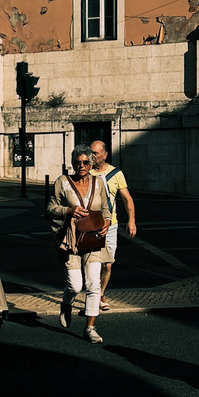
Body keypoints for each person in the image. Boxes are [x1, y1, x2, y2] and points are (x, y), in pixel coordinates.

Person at [48, 143, 112, 344]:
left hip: (94, 239)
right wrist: (68, 211)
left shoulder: (99, 183)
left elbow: (106, 210)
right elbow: (50, 209)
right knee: (75, 286)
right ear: (73, 163)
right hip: (72, 241)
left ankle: (90, 327)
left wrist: (107, 224)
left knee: (94, 284)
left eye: (85, 162)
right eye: (78, 162)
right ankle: (66, 303)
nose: (82, 166)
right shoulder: (62, 182)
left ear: (91, 163)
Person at [90, 140, 136, 311]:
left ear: (105, 154)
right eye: (91, 152)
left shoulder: (116, 174)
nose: (92, 156)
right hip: (90, 225)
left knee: (107, 264)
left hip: (111, 225)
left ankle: (100, 294)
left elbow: (127, 199)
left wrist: (131, 220)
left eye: (95, 153)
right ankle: (93, 295)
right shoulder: (86, 171)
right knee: (91, 264)